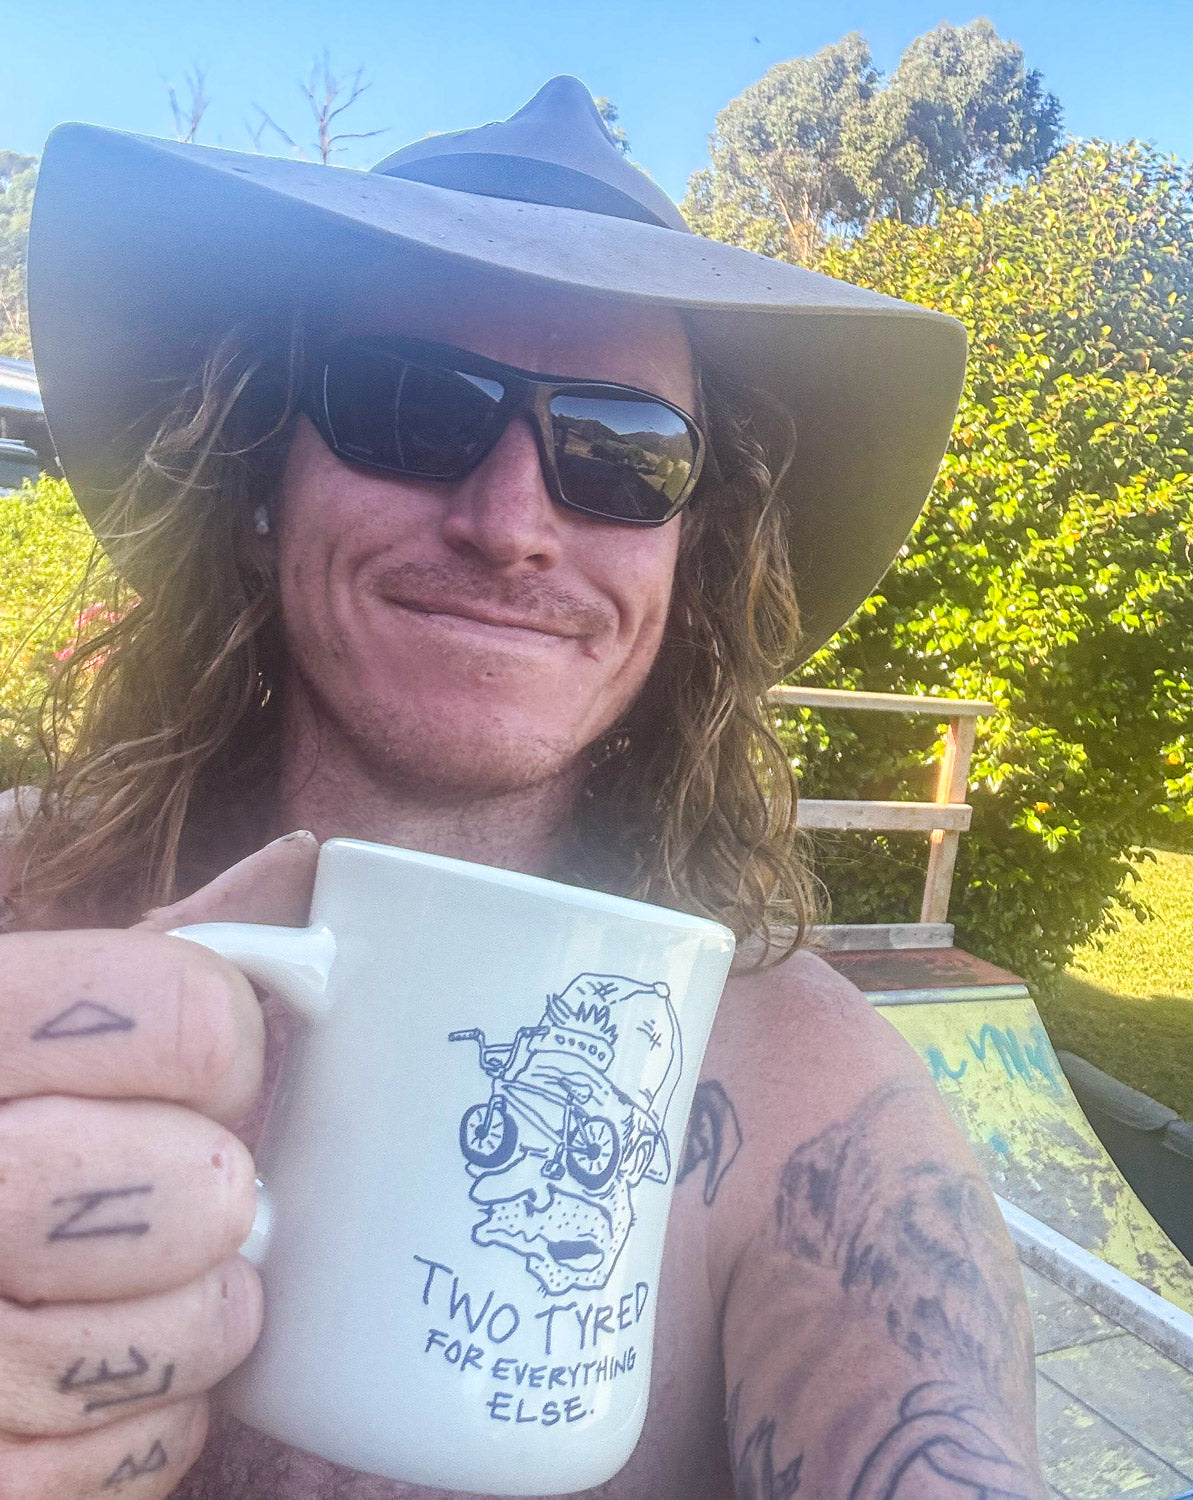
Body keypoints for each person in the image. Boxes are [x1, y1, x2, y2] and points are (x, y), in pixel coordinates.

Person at [0, 78, 1048, 1499]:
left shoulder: (815, 1101)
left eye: (623, 455)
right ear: (258, 491)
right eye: (407, 407)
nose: (510, 525)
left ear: (687, 567)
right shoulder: (19, 914)